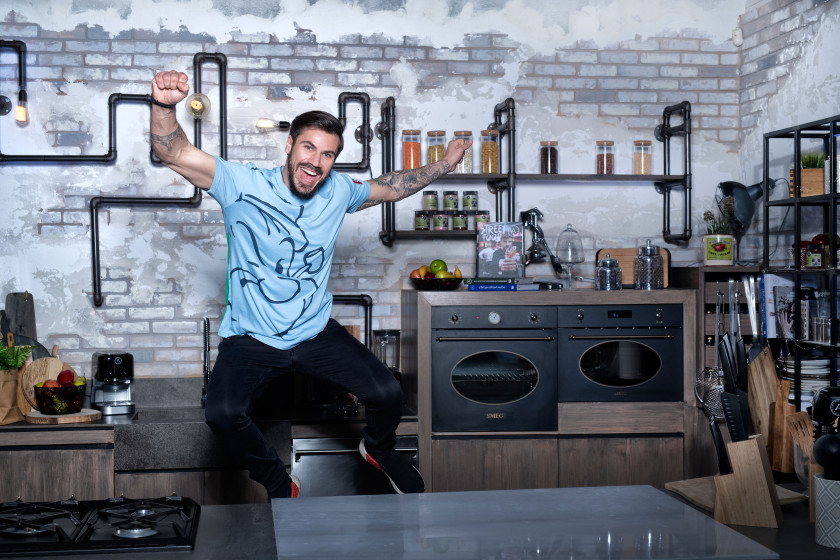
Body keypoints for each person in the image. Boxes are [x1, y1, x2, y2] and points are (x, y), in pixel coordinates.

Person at [149, 70, 471, 499]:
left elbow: (392, 187)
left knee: (387, 393)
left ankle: (378, 449)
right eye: (308, 147)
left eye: (328, 154)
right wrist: (163, 105)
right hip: (251, 337)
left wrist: (445, 164)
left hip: (314, 333)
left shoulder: (338, 190)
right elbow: (173, 152)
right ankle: (281, 485)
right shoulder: (241, 183)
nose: (316, 162)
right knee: (222, 415)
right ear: (289, 145)